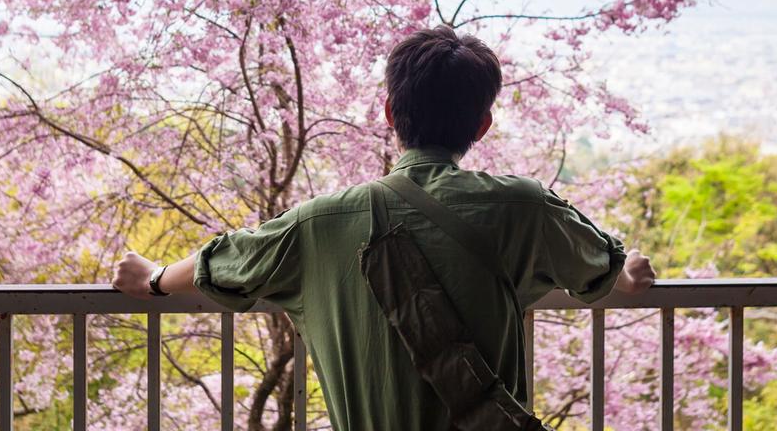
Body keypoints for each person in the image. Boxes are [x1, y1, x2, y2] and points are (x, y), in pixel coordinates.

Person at [112, 25, 656, 430]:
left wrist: (154, 278)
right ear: (483, 124)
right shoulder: (525, 208)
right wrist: (629, 276)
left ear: (391, 113)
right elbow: (606, 271)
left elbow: (225, 261)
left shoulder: (319, 222)